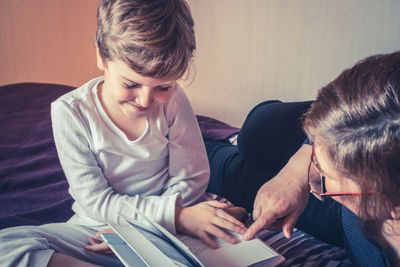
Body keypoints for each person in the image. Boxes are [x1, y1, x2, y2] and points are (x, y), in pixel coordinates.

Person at [0, 1, 247, 266]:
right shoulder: (70, 112)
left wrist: (165, 222)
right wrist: (169, 220)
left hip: (172, 219)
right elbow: (96, 202)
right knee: (9, 245)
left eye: (163, 87)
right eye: (131, 83)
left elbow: (192, 176)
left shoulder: (174, 101)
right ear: (100, 56)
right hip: (100, 228)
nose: (145, 100)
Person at [206, 51, 400, 266]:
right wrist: (298, 170)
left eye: (328, 177)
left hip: (349, 221)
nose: (316, 179)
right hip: (354, 212)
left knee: (236, 175)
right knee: (258, 129)